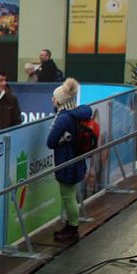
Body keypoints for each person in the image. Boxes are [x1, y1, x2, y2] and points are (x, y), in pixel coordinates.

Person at [46, 78, 92, 242]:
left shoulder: (63, 119)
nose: (52, 100)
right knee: (70, 194)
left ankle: (72, 228)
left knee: (68, 196)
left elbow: (50, 142)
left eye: (54, 97)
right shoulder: (78, 113)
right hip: (77, 159)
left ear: (60, 100)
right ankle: (70, 225)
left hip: (66, 162)